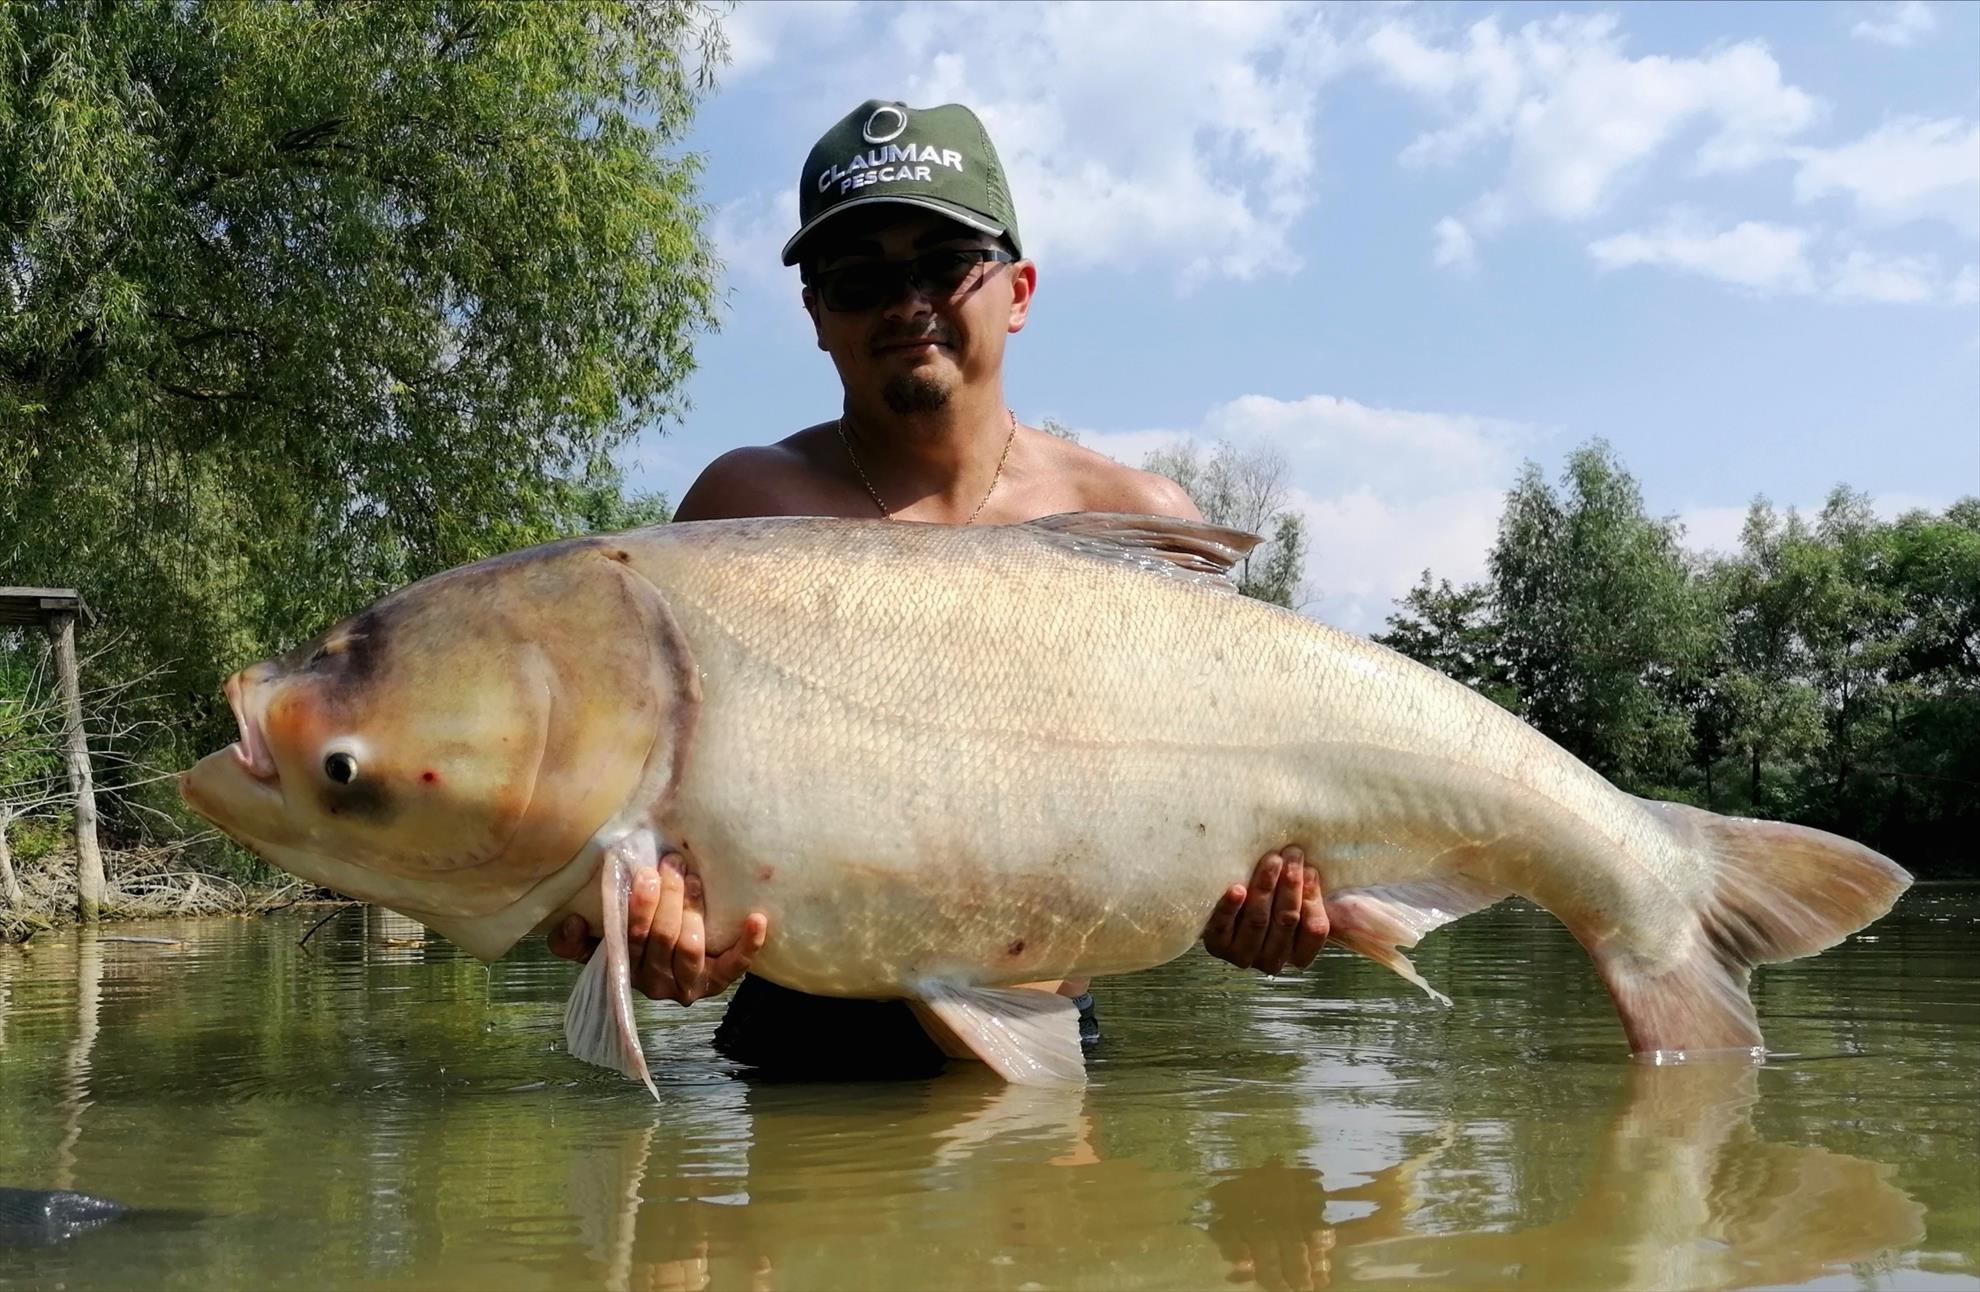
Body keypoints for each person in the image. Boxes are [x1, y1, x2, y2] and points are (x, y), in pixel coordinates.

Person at [550, 99, 1329, 1076]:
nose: (905, 300)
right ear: (815, 314)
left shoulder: (1139, 514)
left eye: (943, 264)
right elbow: (648, 790)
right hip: (798, 1031)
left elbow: (1229, 802)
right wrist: (630, 926)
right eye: (859, 276)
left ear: (1020, 289)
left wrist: (1260, 907)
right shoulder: (741, 504)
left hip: (1042, 1021)